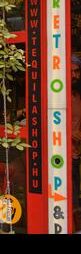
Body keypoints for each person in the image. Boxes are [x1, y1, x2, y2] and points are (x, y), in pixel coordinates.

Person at [71, 55, 81, 210]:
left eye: (77, 71)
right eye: (71, 71)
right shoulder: (57, 95)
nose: (74, 75)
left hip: (76, 153)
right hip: (61, 156)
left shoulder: (78, 96)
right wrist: (71, 132)